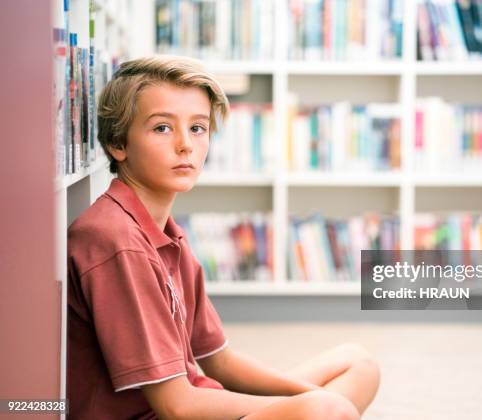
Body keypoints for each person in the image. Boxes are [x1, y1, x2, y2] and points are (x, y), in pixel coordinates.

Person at [67, 55, 380, 420]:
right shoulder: (115, 240)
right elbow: (176, 406)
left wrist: (314, 403)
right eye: (162, 129)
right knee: (324, 409)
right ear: (119, 144)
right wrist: (308, 407)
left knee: (357, 365)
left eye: (198, 128)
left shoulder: (167, 234)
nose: (185, 145)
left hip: (197, 398)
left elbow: (220, 362)